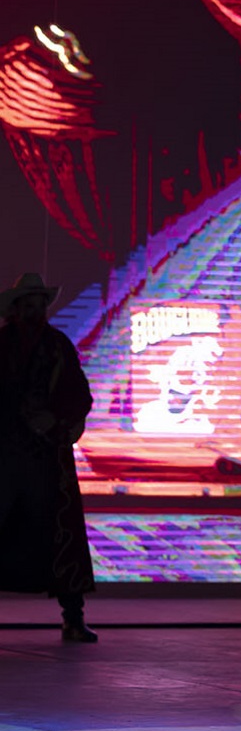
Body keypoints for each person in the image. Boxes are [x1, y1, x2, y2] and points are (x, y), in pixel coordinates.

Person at [0, 272, 98, 642]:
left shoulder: (58, 346)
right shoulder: (1, 346)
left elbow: (79, 395)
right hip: (4, 457)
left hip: (45, 460)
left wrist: (54, 418)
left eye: (39, 304)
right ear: (16, 308)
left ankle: (73, 617)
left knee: (59, 534)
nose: (34, 310)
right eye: (28, 304)